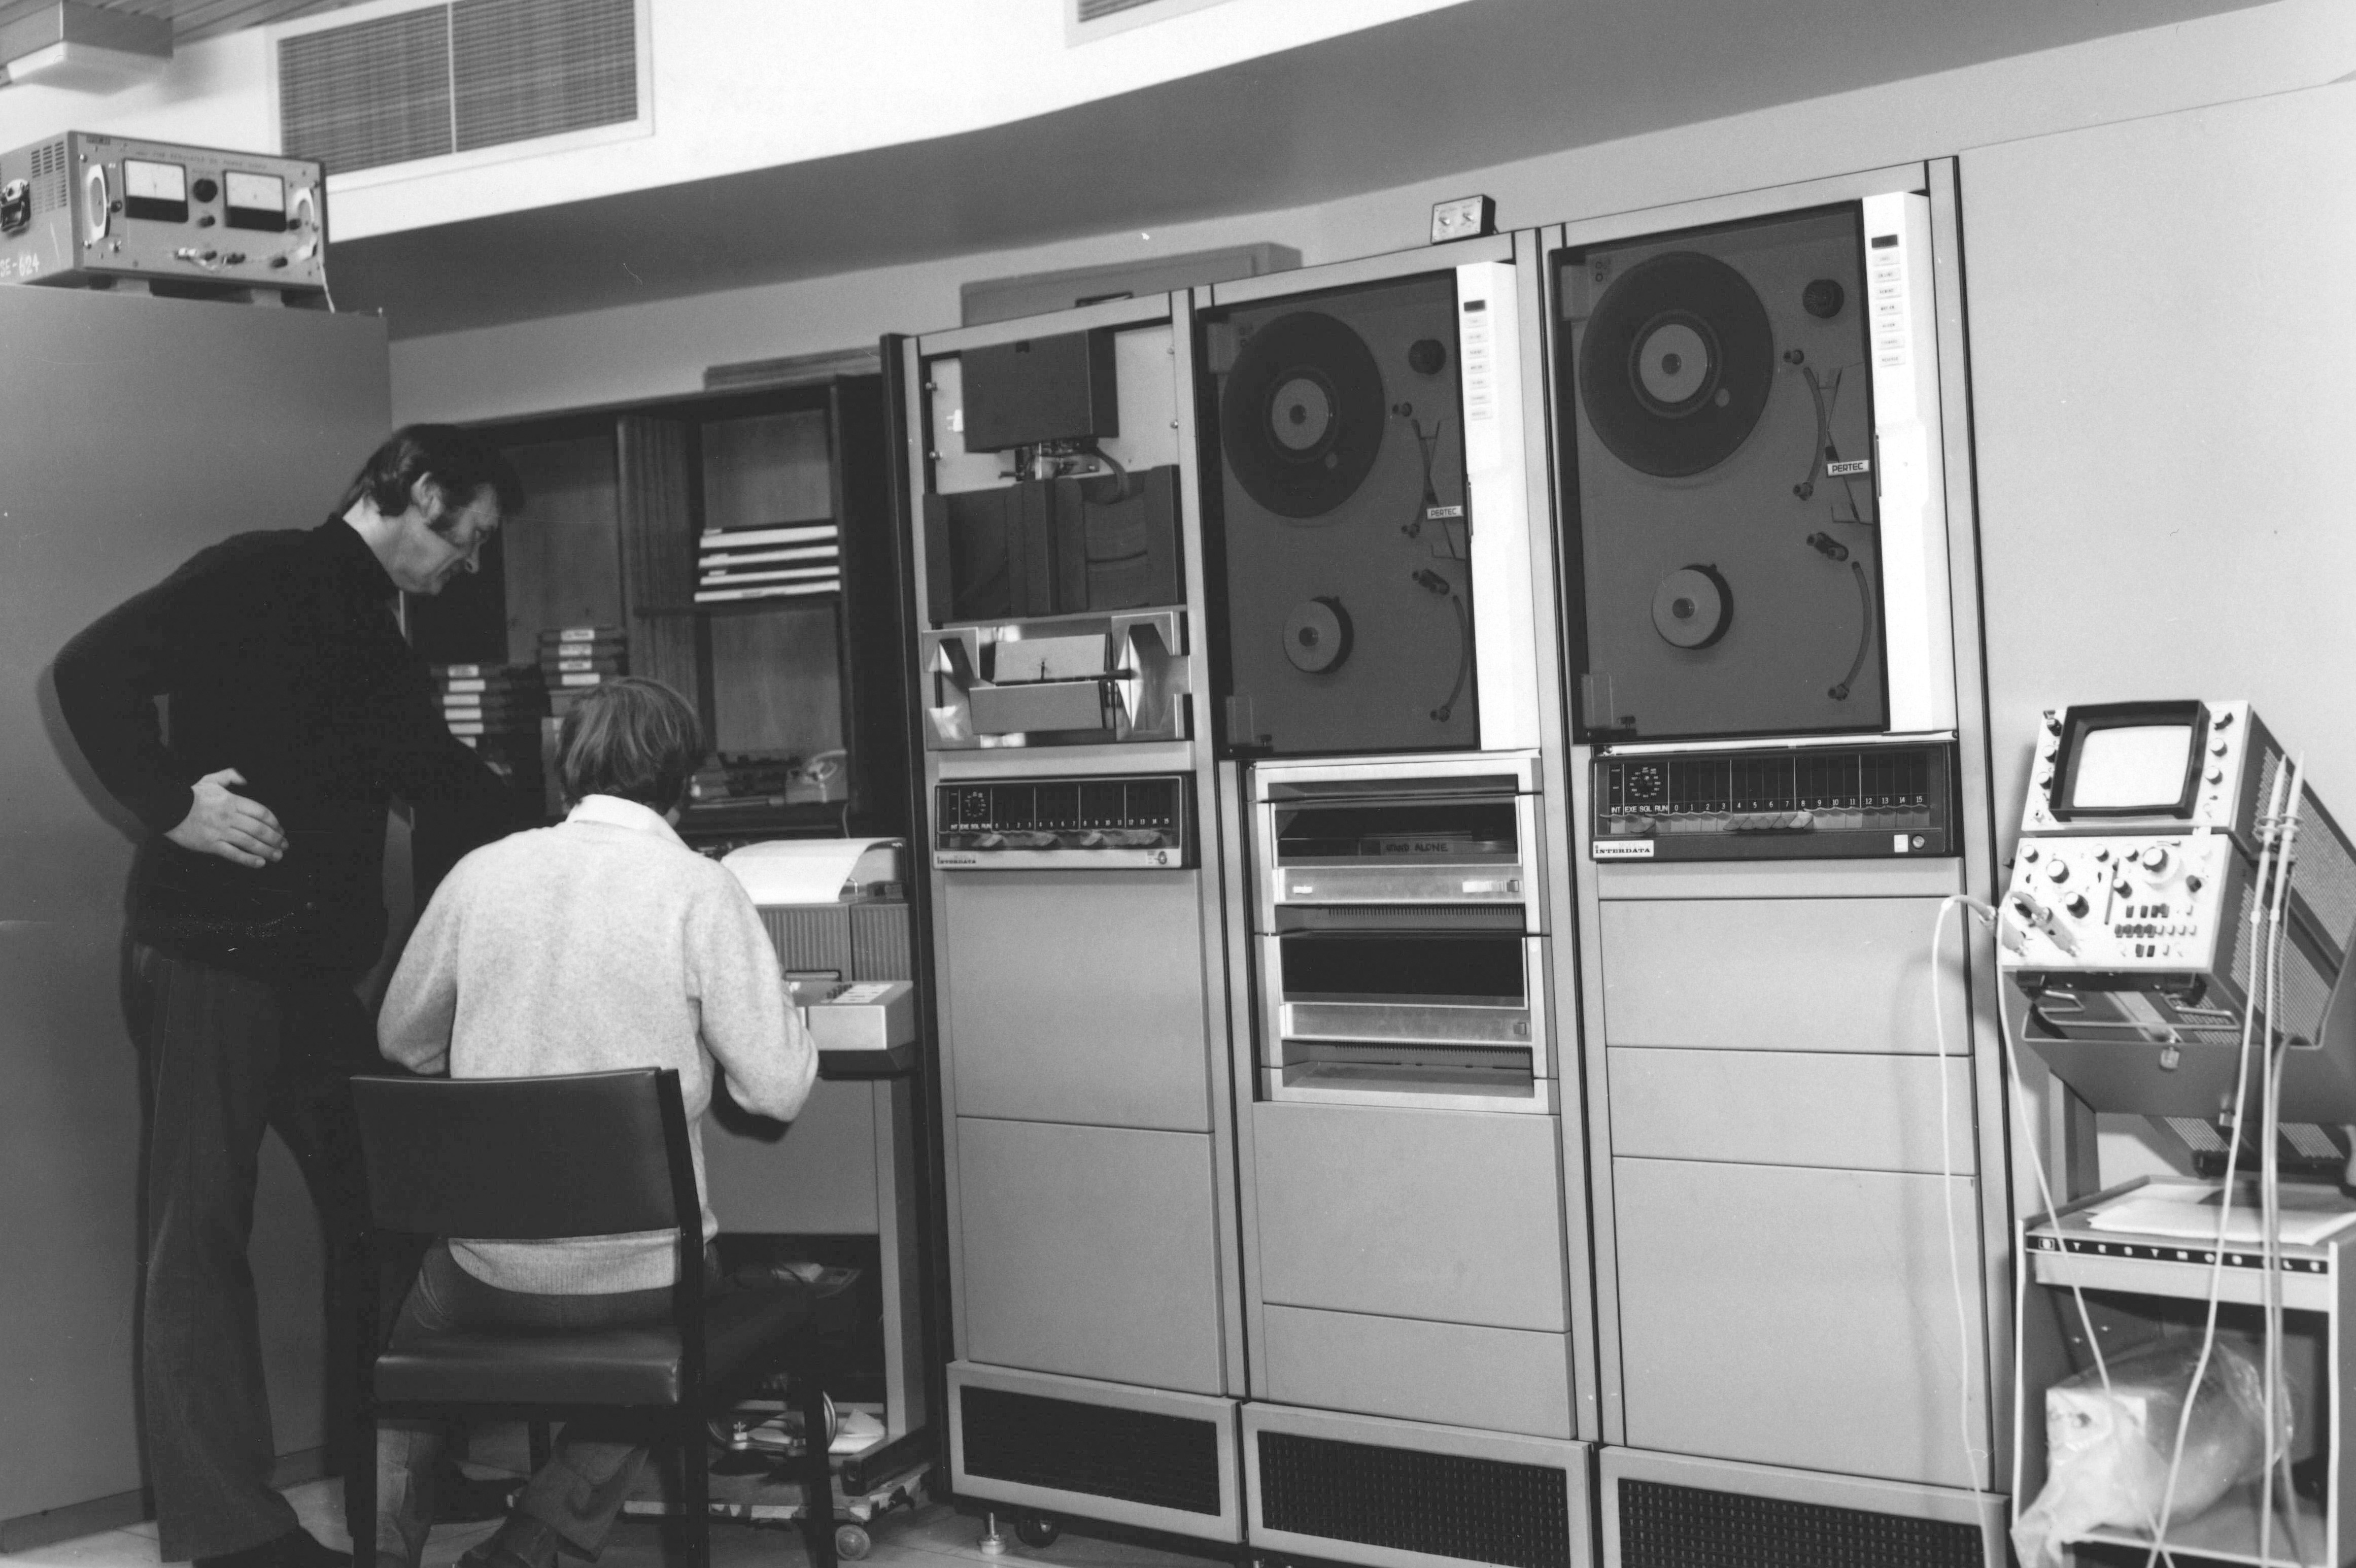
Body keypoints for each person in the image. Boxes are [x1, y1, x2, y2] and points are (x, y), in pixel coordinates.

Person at [53, 426, 530, 1568]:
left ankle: (400, 1479)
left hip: (310, 975)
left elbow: (437, 778)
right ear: (419, 495)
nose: (466, 567)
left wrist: (605, 835)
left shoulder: (374, 628)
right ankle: (227, 1536)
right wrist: (172, 806)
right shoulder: (261, 571)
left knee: (398, 1207)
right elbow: (83, 669)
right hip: (210, 960)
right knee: (199, 1236)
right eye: (465, 541)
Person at [373, 677, 816, 1568]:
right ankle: (534, 1545)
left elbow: (400, 1038)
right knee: (668, 1330)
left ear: (565, 767)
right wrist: (791, 1015)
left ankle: (386, 1552)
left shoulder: (480, 874)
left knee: (409, 1355)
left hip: (487, 1268)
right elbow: (775, 1089)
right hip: (647, 1275)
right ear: (682, 784)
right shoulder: (701, 888)